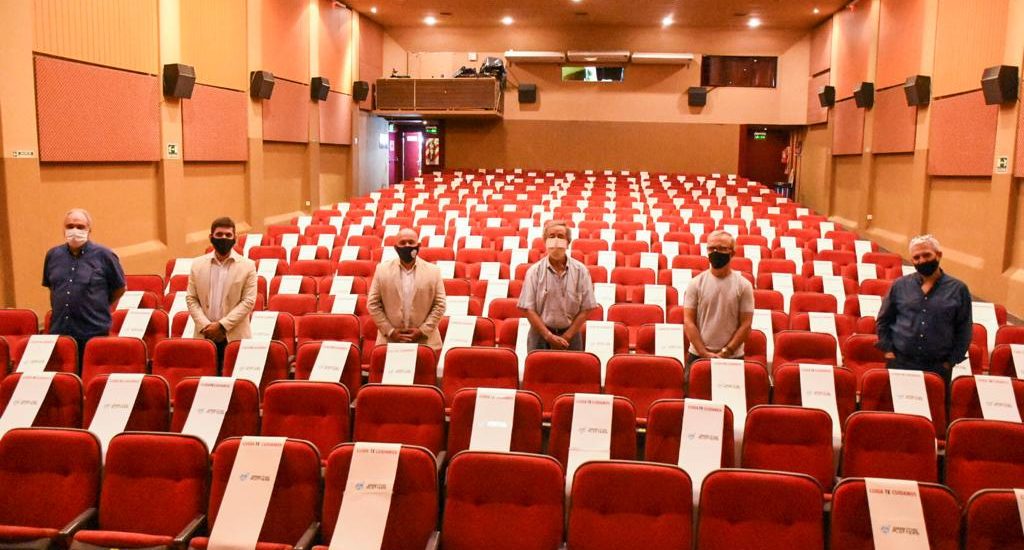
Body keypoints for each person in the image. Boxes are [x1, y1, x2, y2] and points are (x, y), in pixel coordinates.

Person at [876, 234, 972, 383]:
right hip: (900, 362)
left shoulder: (958, 289)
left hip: (938, 366)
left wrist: (950, 362)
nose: (921, 260)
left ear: (938, 255)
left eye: (926, 255)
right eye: (916, 257)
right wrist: (889, 352)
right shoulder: (900, 285)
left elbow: (964, 329)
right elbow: (883, 320)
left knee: (934, 406)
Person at [42, 208, 126, 360]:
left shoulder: (105, 255)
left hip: (93, 331)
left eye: (80, 227)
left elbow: (119, 288)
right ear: (63, 229)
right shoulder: (53, 255)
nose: (74, 230)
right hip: (60, 331)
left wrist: (97, 304)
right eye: (70, 226)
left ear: (89, 230)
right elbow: (51, 287)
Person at [518, 220, 598, 351]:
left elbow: (586, 308)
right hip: (540, 335)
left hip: (571, 336)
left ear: (568, 242)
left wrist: (567, 336)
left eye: (560, 236)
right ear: (545, 241)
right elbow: (528, 309)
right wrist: (548, 336)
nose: (556, 240)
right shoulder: (534, 271)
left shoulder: (581, 271)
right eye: (551, 236)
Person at [185, 217, 258, 359]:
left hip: (234, 336)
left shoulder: (248, 266)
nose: (223, 238)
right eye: (219, 235)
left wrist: (221, 326)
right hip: (204, 335)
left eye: (228, 235)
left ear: (235, 238)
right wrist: (206, 326)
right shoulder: (197, 264)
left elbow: (248, 301)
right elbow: (191, 298)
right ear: (211, 237)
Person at [683, 229, 754, 368]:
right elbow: (688, 321)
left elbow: (746, 324)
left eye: (722, 248)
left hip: (733, 357)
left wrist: (726, 352)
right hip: (697, 355)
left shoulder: (744, 285)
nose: (716, 252)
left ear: (732, 253)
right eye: (712, 248)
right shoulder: (695, 283)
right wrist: (703, 352)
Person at [367, 228, 446, 351]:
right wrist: (390, 331)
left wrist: (422, 331)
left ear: (418, 245)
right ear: (395, 247)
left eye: (411, 242)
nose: (407, 246)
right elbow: (373, 304)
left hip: (425, 342)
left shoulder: (434, 271)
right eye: (402, 243)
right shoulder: (382, 270)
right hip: (389, 341)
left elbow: (440, 305)